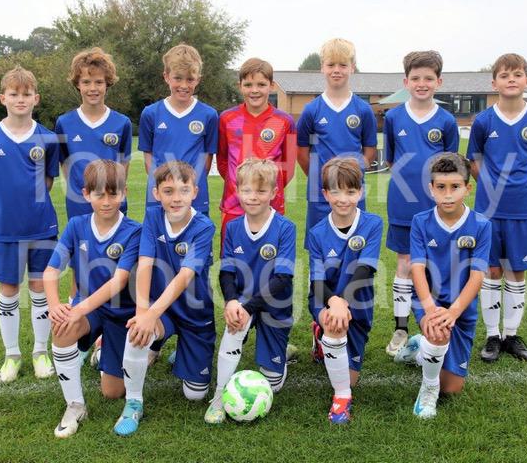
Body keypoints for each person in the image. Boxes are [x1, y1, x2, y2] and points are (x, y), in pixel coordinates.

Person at [113, 161, 216, 436]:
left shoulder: (204, 226)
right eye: (168, 191)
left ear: (195, 192)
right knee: (137, 332)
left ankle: (182, 349)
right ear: (156, 193)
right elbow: (145, 263)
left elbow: (184, 276)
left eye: (184, 190)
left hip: (195, 313)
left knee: (195, 394)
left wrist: (150, 313)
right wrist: (143, 312)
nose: (176, 198)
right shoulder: (153, 216)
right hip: (164, 311)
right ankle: (134, 402)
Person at [44, 160, 141, 438]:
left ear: (123, 193)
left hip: (121, 315)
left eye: (113, 194)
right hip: (90, 309)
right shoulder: (77, 225)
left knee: (112, 392)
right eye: (99, 194)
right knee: (62, 326)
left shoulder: (134, 231)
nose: (107, 202)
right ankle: (75, 406)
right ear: (86, 194)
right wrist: (55, 306)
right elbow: (51, 271)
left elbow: (118, 281)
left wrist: (79, 308)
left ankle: (102, 350)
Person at [466, 53, 527, 363]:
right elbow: (473, 161)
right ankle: (492, 335)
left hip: (524, 208)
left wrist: (521, 187)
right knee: (491, 269)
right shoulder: (483, 121)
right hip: (488, 210)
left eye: (517, 74)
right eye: (504, 75)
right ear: (494, 83)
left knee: (517, 270)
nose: (511, 79)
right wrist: (492, 187)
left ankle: (511, 335)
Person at [0, 66, 59, 383]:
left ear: (36, 98)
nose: (20, 99)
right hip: (6, 230)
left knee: (40, 288)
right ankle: (11, 355)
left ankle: (40, 352)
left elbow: (48, 182)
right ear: (3, 98)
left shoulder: (48, 137)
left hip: (42, 227)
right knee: (9, 289)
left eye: (26, 94)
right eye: (14, 94)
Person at [394, 152, 491, 419]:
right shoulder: (421, 222)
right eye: (441, 187)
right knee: (438, 331)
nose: (447, 195)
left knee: (453, 388)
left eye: (455, 187)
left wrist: (455, 311)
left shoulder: (481, 225)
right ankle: (428, 389)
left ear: (467, 189)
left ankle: (418, 350)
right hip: (429, 302)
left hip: (461, 308)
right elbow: (416, 268)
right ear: (431, 189)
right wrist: (430, 309)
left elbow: (477, 276)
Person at [205, 158, 296, 424]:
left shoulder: (285, 228)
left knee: (273, 384)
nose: (252, 197)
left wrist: (246, 307)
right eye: (246, 190)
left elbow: (282, 278)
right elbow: (226, 272)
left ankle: (281, 354)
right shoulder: (233, 227)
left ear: (273, 193)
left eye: (260, 191)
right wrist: (232, 302)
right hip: (243, 302)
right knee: (235, 326)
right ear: (237, 190)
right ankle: (219, 396)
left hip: (274, 305)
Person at [383, 51, 459, 356]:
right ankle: (401, 328)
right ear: (406, 82)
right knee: (404, 264)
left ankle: (436, 323)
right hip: (402, 203)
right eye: (415, 78)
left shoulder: (446, 120)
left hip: (437, 207)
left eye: (428, 78)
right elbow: (391, 160)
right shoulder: (393, 117)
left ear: (439, 82)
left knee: (436, 265)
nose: (422, 83)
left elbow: (451, 168)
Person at [308, 157, 383, 424]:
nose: (343, 199)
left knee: (351, 376)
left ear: (360, 192)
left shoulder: (372, 224)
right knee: (335, 323)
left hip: (358, 301)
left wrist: (343, 302)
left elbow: (365, 270)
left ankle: (322, 338)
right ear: (325, 194)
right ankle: (341, 398)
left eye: (350, 192)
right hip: (324, 298)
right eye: (336, 192)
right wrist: (334, 304)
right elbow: (317, 284)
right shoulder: (317, 233)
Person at [296, 38, 377, 250]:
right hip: (320, 194)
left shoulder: (363, 109)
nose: (336, 70)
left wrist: (352, 176)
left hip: (352, 193)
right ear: (322, 67)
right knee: (320, 250)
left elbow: (369, 151)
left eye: (343, 65)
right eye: (331, 64)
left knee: (354, 248)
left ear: (352, 67)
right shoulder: (311, 110)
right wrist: (320, 177)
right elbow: (301, 153)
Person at [217, 58, 296, 242]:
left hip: (271, 205)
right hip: (234, 204)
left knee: (269, 256)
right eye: (248, 85)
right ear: (240, 86)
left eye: (261, 84)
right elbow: (223, 161)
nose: (254, 90)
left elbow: (288, 168)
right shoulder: (226, 118)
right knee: (232, 257)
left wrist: (264, 191)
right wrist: (242, 188)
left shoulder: (285, 121)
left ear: (272, 86)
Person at [138, 43, 218, 213]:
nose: (184, 85)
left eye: (190, 79)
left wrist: (188, 186)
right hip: (159, 198)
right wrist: (164, 186)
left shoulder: (209, 115)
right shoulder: (150, 113)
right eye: (178, 78)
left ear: (198, 79)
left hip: (195, 198)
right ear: (166, 76)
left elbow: (206, 159)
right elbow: (148, 157)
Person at [55, 47, 132, 219]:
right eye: (86, 82)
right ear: (77, 84)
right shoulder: (64, 123)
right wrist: (78, 190)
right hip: (79, 205)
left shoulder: (122, 123)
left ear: (107, 83)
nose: (93, 88)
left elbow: (124, 164)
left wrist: (114, 192)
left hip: (113, 204)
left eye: (98, 82)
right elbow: (65, 163)